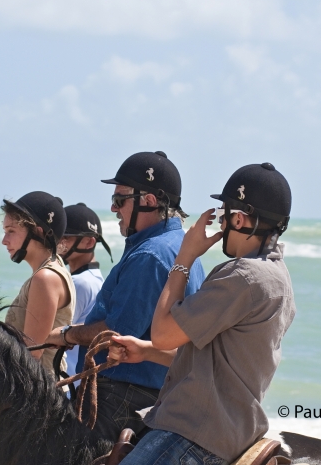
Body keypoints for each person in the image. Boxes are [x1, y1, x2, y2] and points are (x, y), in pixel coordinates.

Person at [92, 162, 296, 465]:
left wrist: (185, 257)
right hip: (231, 429)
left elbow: (164, 332)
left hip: (192, 433)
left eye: (224, 212)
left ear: (240, 218)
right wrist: (146, 352)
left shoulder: (241, 276)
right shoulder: (278, 278)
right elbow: (215, 362)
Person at [46, 151, 205, 442]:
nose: (112, 208)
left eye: (120, 200)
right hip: (159, 393)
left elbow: (115, 334)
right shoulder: (179, 245)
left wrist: (66, 335)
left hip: (124, 396)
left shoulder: (150, 255)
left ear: (149, 201)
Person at [2, 191, 76, 375]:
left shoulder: (45, 278)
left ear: (38, 231)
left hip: (41, 396)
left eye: (11, 231)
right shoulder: (51, 269)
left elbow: (30, 356)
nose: (4, 241)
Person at [57, 203, 113, 379]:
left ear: (89, 241)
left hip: (66, 384)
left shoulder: (79, 283)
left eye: (66, 237)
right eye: (59, 236)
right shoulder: (96, 279)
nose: (60, 243)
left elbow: (49, 336)